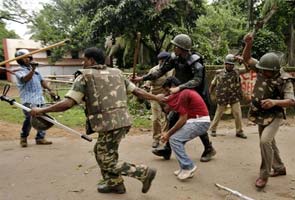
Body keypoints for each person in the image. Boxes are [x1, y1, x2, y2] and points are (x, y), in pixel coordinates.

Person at [30, 47, 159, 194]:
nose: (83, 63)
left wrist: (41, 110)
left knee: (106, 159)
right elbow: (137, 91)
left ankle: (143, 172)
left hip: (107, 124)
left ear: (91, 60)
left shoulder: (84, 76)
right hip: (122, 121)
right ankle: (115, 183)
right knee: (101, 151)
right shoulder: (117, 73)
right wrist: (157, 98)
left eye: (84, 60)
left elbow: (68, 103)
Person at [132, 33, 216, 162]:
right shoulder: (174, 58)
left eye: (176, 47)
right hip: (182, 93)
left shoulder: (195, 61)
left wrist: (180, 87)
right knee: (172, 119)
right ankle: (167, 149)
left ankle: (209, 148)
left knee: (195, 122)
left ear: (182, 48)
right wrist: (142, 78)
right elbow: (160, 71)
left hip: (195, 96)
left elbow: (197, 80)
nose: (174, 49)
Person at [242, 33, 295, 189]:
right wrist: (248, 44)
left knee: (264, 141)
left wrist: (274, 102)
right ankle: (279, 168)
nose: (262, 73)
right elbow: (247, 59)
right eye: (261, 70)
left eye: (266, 72)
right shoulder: (262, 67)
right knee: (269, 141)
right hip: (260, 113)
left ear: (274, 70)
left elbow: (292, 101)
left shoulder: (285, 80)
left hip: (275, 114)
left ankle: (264, 175)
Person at [160, 77, 211, 180]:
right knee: (176, 140)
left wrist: (168, 134)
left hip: (200, 122)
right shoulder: (181, 93)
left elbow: (182, 119)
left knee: (174, 139)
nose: (167, 94)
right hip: (196, 121)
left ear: (173, 87)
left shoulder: (183, 94)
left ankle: (188, 166)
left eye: (168, 91)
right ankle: (184, 167)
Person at [14, 49, 56, 147]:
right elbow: (25, 79)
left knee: (43, 118)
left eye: (28, 56)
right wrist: (32, 70)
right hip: (28, 100)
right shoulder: (18, 71)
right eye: (25, 57)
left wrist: (50, 90)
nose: (27, 58)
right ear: (19, 60)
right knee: (29, 119)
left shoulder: (36, 70)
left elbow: (42, 81)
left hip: (40, 99)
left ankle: (40, 138)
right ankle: (23, 138)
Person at [208, 54, 247, 139]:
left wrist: (243, 60)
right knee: (218, 113)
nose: (230, 66)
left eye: (232, 64)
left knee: (237, 114)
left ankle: (239, 131)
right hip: (222, 96)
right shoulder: (219, 73)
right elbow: (213, 84)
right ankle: (213, 130)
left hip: (234, 96)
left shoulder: (237, 71)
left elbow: (248, 69)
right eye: (229, 64)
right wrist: (210, 93)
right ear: (225, 64)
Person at [145, 51, 173, 148]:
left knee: (168, 119)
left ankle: (165, 136)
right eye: (161, 61)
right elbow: (148, 82)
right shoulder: (153, 70)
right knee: (156, 118)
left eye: (165, 61)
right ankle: (156, 138)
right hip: (155, 97)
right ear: (159, 61)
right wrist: (146, 86)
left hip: (168, 97)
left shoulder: (172, 70)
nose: (163, 62)